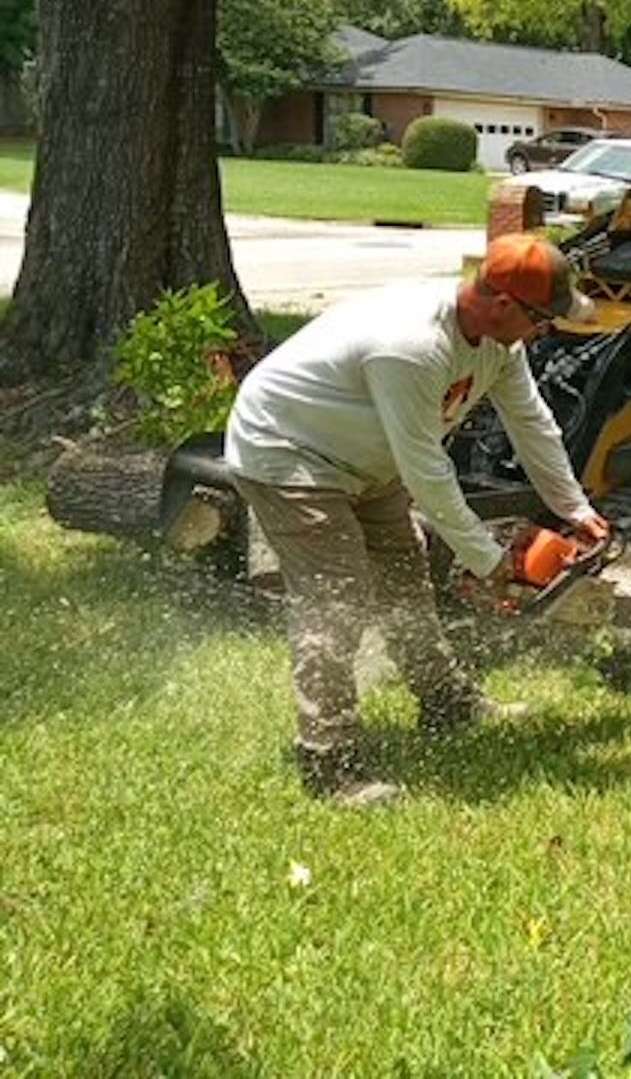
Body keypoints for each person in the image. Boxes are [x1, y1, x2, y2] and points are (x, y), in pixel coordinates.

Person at [225, 233, 611, 807]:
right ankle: (328, 761)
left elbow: (532, 424)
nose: (543, 332)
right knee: (340, 595)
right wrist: (489, 560)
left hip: (366, 458)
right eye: (541, 320)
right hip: (288, 453)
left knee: (404, 572)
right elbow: (427, 469)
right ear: (504, 304)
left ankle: (445, 702)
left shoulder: (500, 346)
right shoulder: (411, 345)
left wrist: (574, 508)